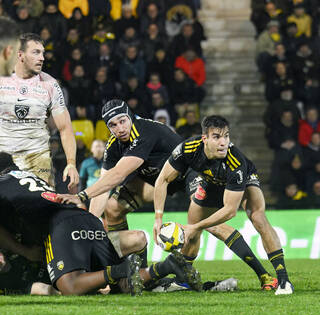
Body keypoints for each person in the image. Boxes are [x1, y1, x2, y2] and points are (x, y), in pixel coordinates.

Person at [58, 99, 279, 290]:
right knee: (113, 208)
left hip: (188, 173)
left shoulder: (143, 132)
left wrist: (82, 196)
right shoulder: (114, 145)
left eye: (123, 121)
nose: (120, 128)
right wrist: (92, 225)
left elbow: (118, 174)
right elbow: (104, 185)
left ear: (131, 117)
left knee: (208, 224)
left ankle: (263, 273)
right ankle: (133, 273)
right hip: (158, 181)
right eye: (113, 125)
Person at [0, 152, 202, 295]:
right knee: (121, 286)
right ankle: (168, 266)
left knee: (70, 286)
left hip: (59, 226)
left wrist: (23, 251)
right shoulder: (25, 177)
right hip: (85, 218)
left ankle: (122, 269)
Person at [153, 115, 294, 295]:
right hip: (210, 181)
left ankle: (283, 280)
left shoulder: (235, 162)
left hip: (241, 178)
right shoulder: (188, 148)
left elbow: (230, 211)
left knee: (257, 217)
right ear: (204, 139)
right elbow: (162, 180)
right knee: (193, 226)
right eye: (217, 137)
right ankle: (183, 279)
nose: (223, 142)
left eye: (226, 136)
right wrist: (158, 218)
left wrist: (194, 227)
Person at [0, 33, 79, 188]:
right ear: (20, 55)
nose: (42, 57)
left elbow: (65, 128)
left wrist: (71, 163)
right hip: (3, 157)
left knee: (42, 208)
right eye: (36, 52)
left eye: (42, 52)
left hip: (37, 159)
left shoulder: (50, 85)